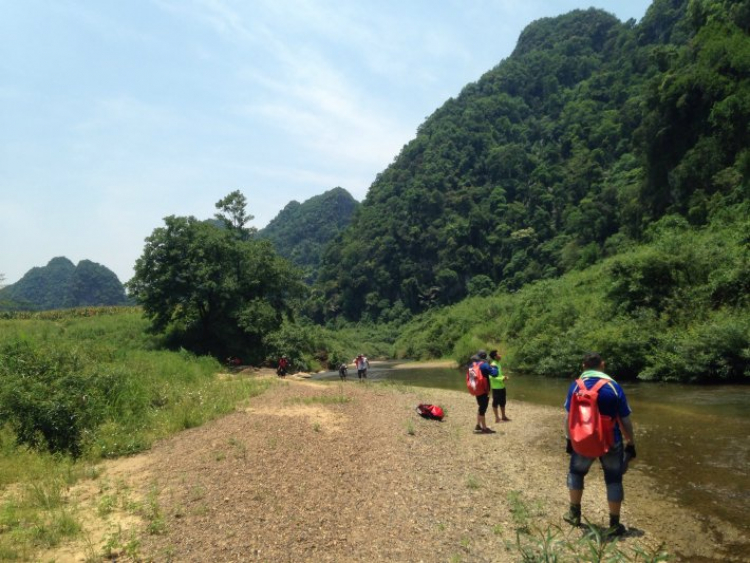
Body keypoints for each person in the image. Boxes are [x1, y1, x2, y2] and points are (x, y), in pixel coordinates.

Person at [563, 352, 636, 537]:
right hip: (611, 439)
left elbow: (568, 418)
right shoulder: (613, 386)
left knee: (576, 472)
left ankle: (574, 514)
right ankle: (614, 524)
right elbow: (625, 420)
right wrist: (631, 442)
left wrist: (569, 440)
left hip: (582, 439)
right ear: (602, 365)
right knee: (613, 479)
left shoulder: (575, 386)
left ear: (583, 366)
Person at [470, 350, 498, 434]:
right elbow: (495, 374)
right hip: (484, 390)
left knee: (481, 407)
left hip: (476, 389)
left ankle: (478, 425)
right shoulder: (485, 365)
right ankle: (484, 428)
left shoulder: (472, 365)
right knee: (483, 409)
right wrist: (494, 367)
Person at [489, 350, 510, 422]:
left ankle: (503, 416)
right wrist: (502, 378)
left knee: (503, 402)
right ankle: (497, 418)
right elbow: (491, 377)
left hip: (502, 386)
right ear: (495, 356)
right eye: (499, 354)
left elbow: (498, 375)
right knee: (495, 402)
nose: (500, 355)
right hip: (496, 387)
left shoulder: (498, 363)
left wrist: (503, 377)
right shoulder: (493, 365)